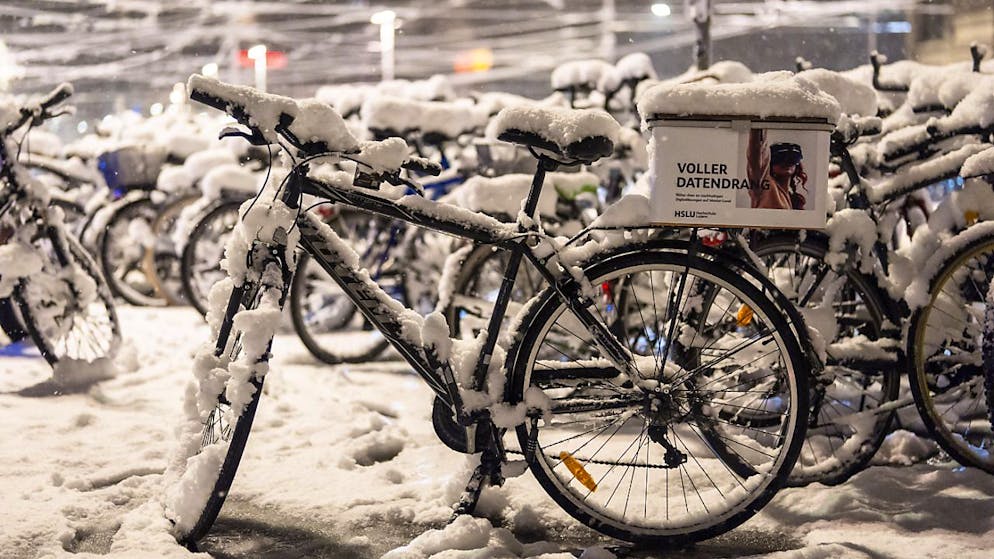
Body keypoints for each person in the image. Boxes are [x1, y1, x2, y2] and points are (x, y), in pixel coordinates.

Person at [746, 129, 807, 210]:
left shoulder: (794, 199)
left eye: (792, 158)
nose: (786, 162)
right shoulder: (764, 185)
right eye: (779, 158)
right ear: (769, 162)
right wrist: (758, 124)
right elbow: (755, 152)